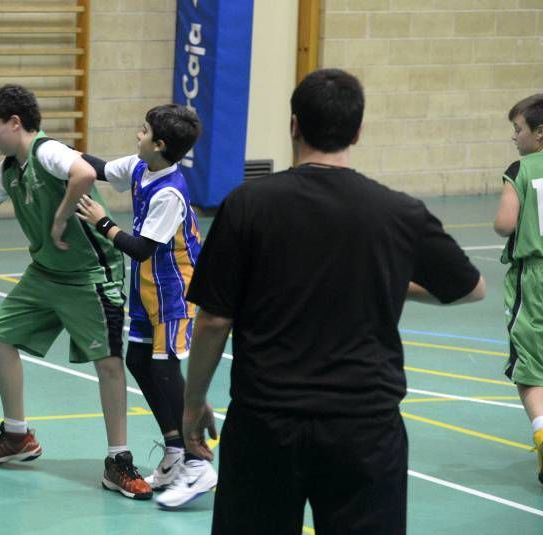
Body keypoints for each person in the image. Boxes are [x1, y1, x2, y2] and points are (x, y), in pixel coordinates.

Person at [180, 68, 487, 534]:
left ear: (294, 125)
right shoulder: (399, 211)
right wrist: (383, 279)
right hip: (365, 429)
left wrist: (193, 402)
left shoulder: (247, 204)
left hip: (266, 424)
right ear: (358, 132)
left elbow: (213, 320)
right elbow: (470, 288)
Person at [0, 84, 152, 500]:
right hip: (45, 273)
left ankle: (118, 460)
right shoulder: (10, 168)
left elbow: (85, 173)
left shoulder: (47, 152)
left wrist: (59, 218)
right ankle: (17, 435)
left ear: (15, 123)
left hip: (89, 275)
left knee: (108, 363)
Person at [74, 104, 218, 509]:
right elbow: (99, 168)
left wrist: (103, 221)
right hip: (149, 285)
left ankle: (196, 463)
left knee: (163, 366)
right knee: (138, 360)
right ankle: (175, 449)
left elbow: (140, 248)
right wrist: (48, 147)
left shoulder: (170, 191)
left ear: (159, 144)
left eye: (143, 131)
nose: (136, 135)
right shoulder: (141, 167)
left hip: (176, 287)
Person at [493, 93, 543, 485]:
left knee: (529, 362)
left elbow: (505, 224)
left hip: (536, 278)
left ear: (540, 134)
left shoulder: (522, 169)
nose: (514, 137)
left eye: (518, 129)